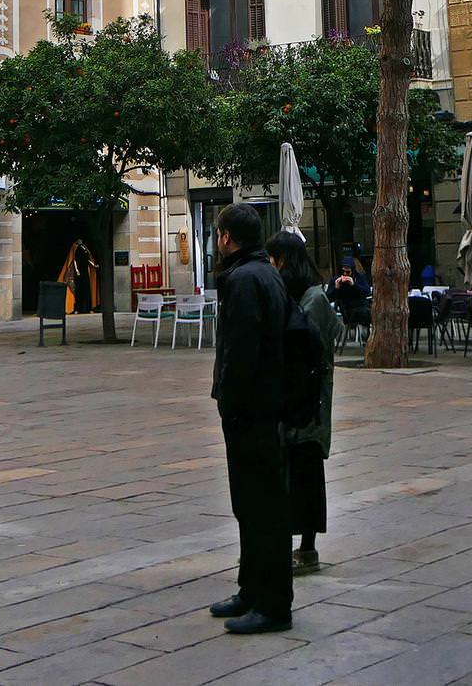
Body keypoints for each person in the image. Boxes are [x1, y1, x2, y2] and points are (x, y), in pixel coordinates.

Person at [207, 203, 292, 635]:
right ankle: (251, 588)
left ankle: (273, 604)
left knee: (260, 507)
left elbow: (241, 353)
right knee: (251, 505)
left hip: (252, 411)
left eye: (218, 234)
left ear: (226, 237)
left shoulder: (244, 280)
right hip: (263, 407)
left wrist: (229, 400)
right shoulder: (264, 274)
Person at [267, 230, 338, 579]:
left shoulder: (313, 298)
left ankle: (307, 549)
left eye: (274, 259)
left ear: (284, 261)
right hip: (295, 399)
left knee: (307, 472)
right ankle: (292, 545)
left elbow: (310, 339)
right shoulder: (302, 295)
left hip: (309, 401)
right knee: (292, 472)